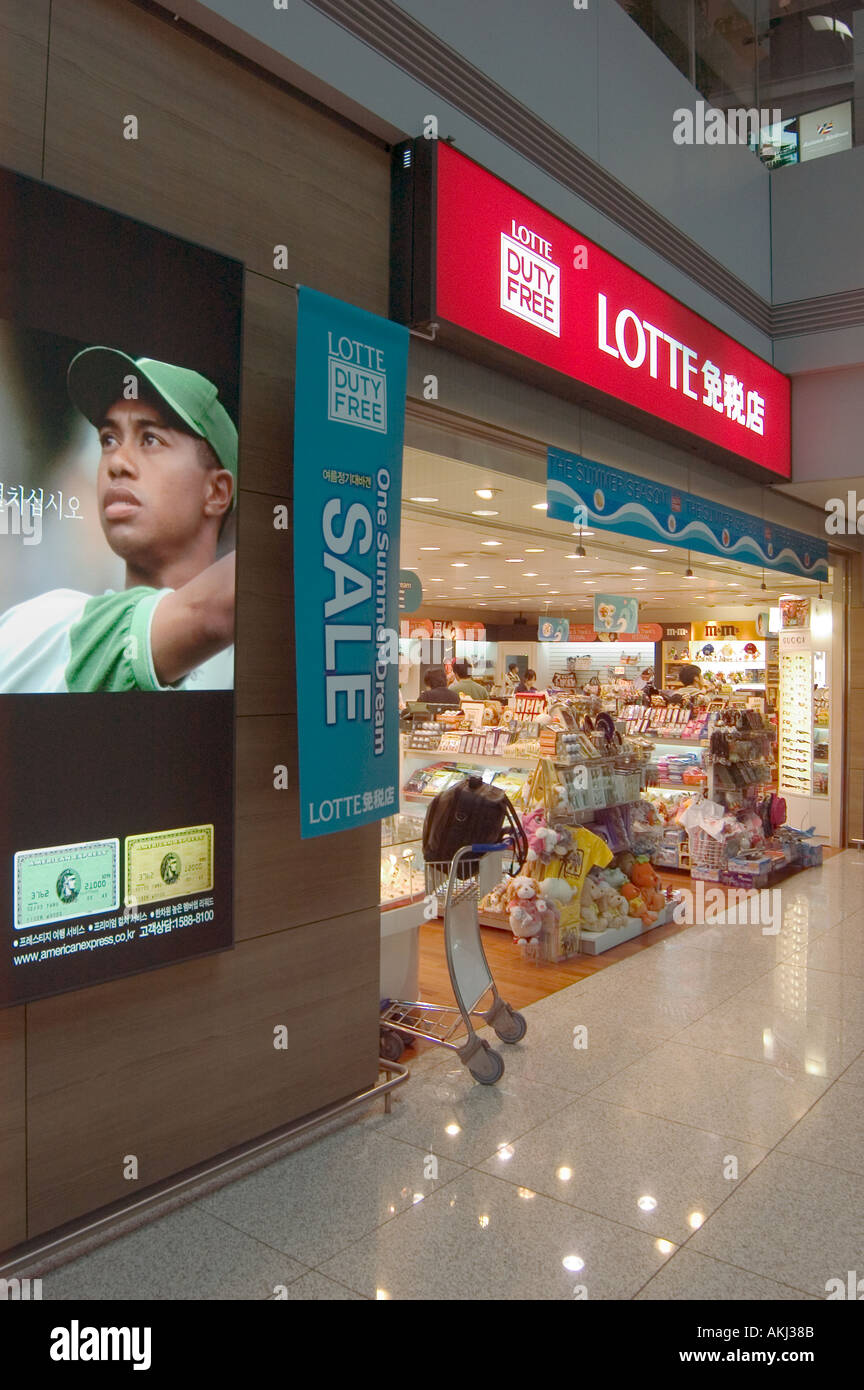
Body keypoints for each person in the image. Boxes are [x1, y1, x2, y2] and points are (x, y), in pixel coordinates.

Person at [0, 347, 236, 692]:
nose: (116, 462)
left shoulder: (257, 662)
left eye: (150, 438)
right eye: (108, 440)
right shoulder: (41, 629)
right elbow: (213, 612)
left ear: (216, 492)